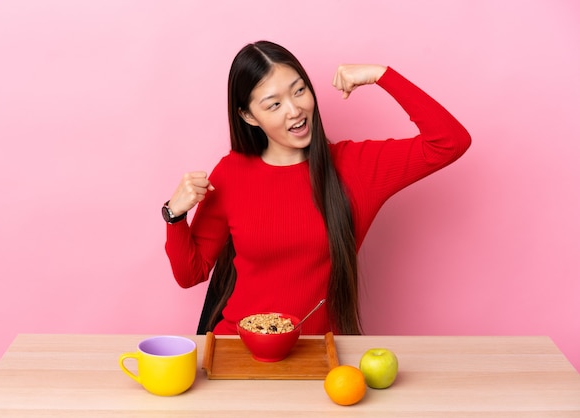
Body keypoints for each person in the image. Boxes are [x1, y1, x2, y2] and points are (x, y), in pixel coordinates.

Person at [163, 40, 470, 335]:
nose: (294, 110)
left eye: (299, 91)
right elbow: (191, 274)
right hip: (238, 350)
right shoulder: (230, 173)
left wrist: (382, 75)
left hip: (319, 358)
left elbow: (450, 142)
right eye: (274, 104)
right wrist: (174, 216)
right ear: (248, 115)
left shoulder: (356, 167)